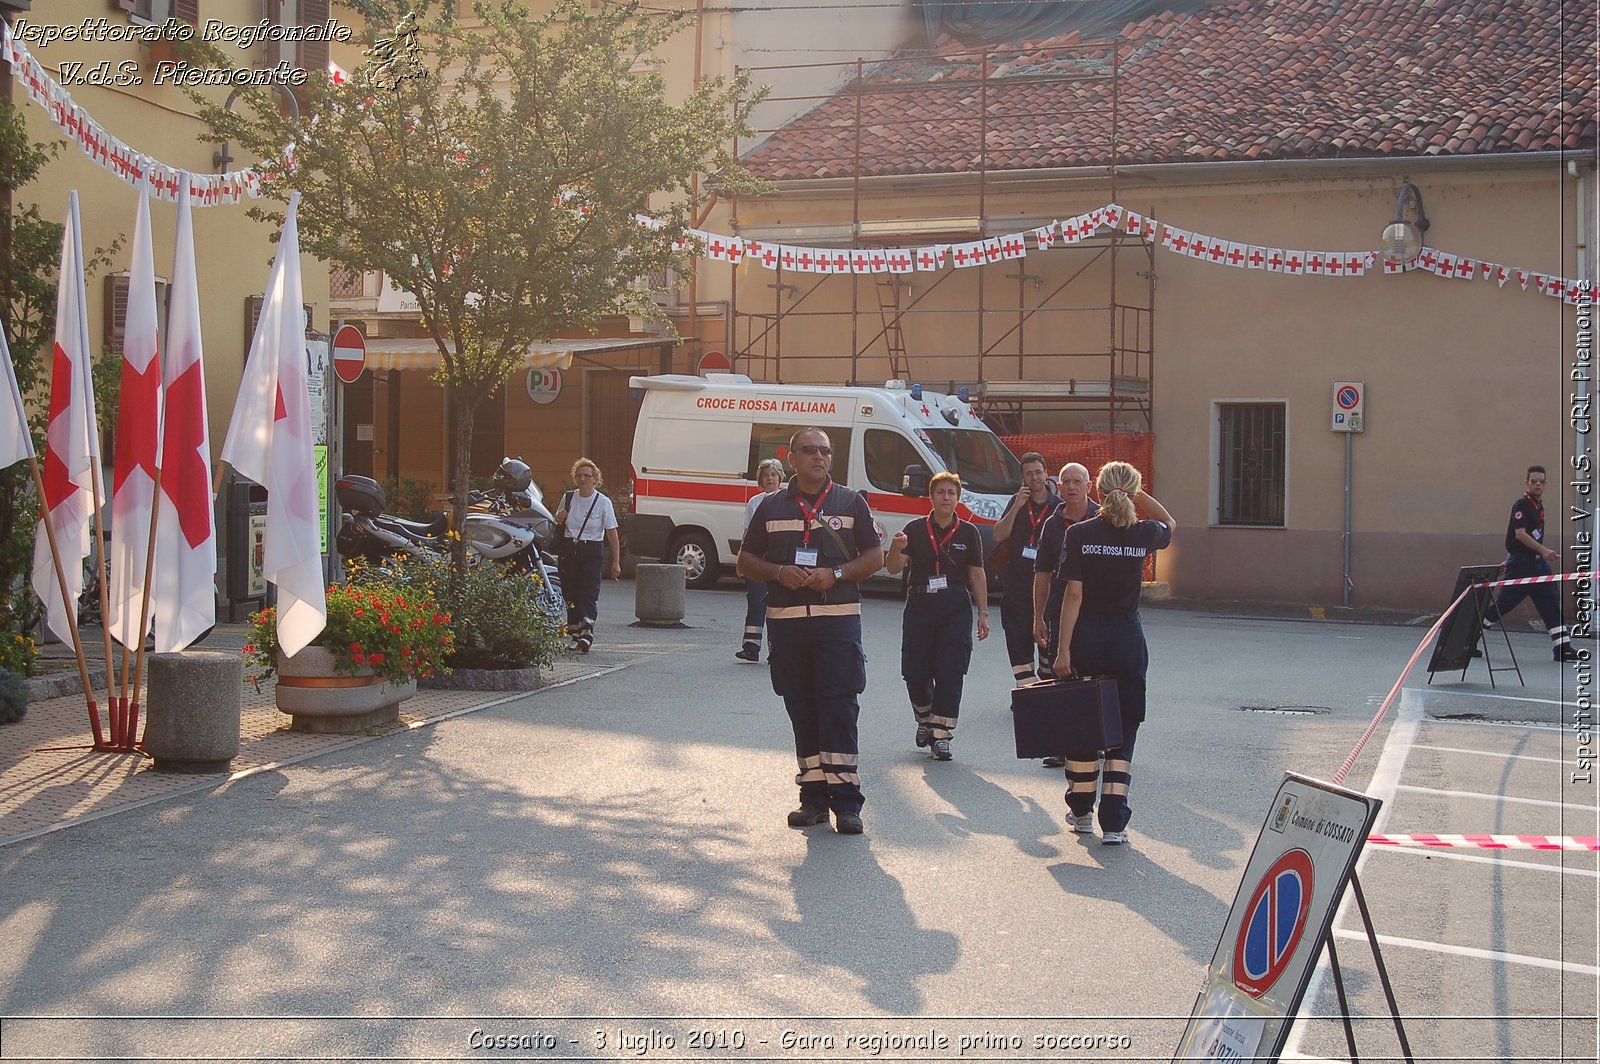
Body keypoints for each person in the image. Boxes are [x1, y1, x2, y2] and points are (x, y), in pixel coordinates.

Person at [738, 428, 884, 834]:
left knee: (838, 706)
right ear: (792, 458)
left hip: (837, 621)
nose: (819, 457)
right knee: (801, 707)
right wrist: (779, 572)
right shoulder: (770, 506)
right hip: (787, 625)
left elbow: (874, 557)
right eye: (810, 450)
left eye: (825, 451)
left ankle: (848, 802)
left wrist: (835, 573)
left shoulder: (851, 502)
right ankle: (814, 798)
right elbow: (746, 561)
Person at [1052, 461, 1175, 846]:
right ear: (1132, 492)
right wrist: (1135, 494)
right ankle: (1116, 821)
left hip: (1087, 636)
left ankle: (1082, 810)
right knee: (1125, 726)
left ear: (1097, 493)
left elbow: (1073, 595)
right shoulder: (1143, 533)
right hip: (1125, 637)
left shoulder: (1080, 533)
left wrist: (1063, 649)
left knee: (1084, 722)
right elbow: (1171, 523)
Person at [885, 471, 990, 761]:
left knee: (951, 670)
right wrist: (897, 546)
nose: (946, 497)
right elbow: (893, 567)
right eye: (941, 492)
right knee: (915, 673)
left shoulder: (969, 532)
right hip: (920, 603)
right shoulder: (914, 529)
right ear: (931, 497)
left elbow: (977, 574)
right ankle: (925, 719)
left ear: (958, 498)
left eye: (951, 493)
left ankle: (941, 736)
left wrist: (982, 613)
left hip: (955, 605)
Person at [1031, 462, 1099, 768]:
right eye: (1066, 482)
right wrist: (1038, 616)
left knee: (1095, 675)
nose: (1072, 487)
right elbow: (1042, 573)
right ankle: (1063, 744)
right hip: (1060, 608)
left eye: (1078, 481)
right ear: (1059, 487)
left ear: (1089, 485)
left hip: (1097, 610)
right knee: (1062, 672)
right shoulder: (1052, 524)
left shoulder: (1102, 516)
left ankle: (1096, 740)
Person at [1483, 466, 1580, 662]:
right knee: (1504, 604)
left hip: (1537, 565)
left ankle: (1562, 648)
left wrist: (1536, 555)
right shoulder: (1521, 504)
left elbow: (1523, 539)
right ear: (1526, 483)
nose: (1538, 484)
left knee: (1551, 602)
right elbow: (1519, 535)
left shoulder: (1538, 506)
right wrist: (1542, 551)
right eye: (1534, 481)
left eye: (1541, 481)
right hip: (1522, 566)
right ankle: (1469, 636)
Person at [992, 452, 1062, 686]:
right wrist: (1016, 508)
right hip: (1018, 586)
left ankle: (1047, 688)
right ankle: (1027, 691)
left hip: (1049, 588)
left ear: (1046, 473)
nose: (1034, 478)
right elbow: (999, 535)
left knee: (1049, 644)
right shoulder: (1016, 502)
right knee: (1018, 642)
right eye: (1029, 474)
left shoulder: (1059, 507)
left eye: (1038, 472)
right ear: (1022, 477)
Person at [555, 457, 621, 654]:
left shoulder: (603, 502)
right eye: (579, 475)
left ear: (595, 479)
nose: (583, 479)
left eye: (587, 476)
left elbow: (611, 532)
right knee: (571, 593)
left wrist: (616, 561)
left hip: (591, 550)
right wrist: (559, 518)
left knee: (588, 593)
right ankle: (575, 634)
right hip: (570, 549)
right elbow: (558, 522)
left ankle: (587, 633)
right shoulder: (568, 498)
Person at [736, 458, 787, 662]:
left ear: (780, 477)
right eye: (766, 475)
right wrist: (741, 559)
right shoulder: (754, 502)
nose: (770, 478)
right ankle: (751, 646)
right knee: (756, 601)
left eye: (773, 474)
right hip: (757, 561)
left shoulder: (787, 500)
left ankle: (777, 649)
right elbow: (747, 534)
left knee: (778, 605)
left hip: (778, 560)